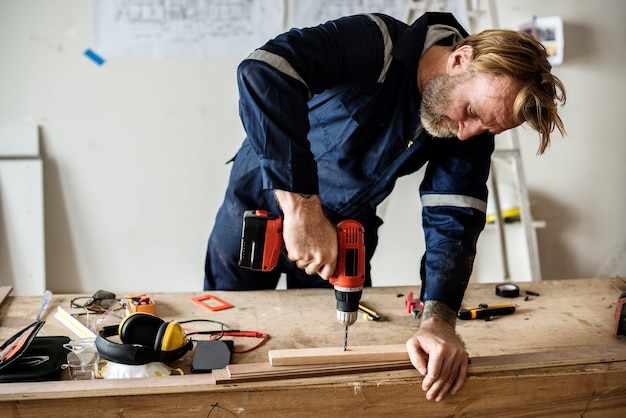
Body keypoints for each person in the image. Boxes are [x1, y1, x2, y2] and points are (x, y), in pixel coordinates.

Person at [204, 12, 565, 401]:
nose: (467, 132)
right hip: (260, 202)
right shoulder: (374, 43)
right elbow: (264, 71)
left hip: (346, 221)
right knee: (223, 334)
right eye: (474, 113)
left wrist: (439, 320)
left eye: (486, 128)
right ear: (460, 59)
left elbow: (455, 214)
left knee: (337, 352)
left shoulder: (468, 128)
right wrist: (301, 208)